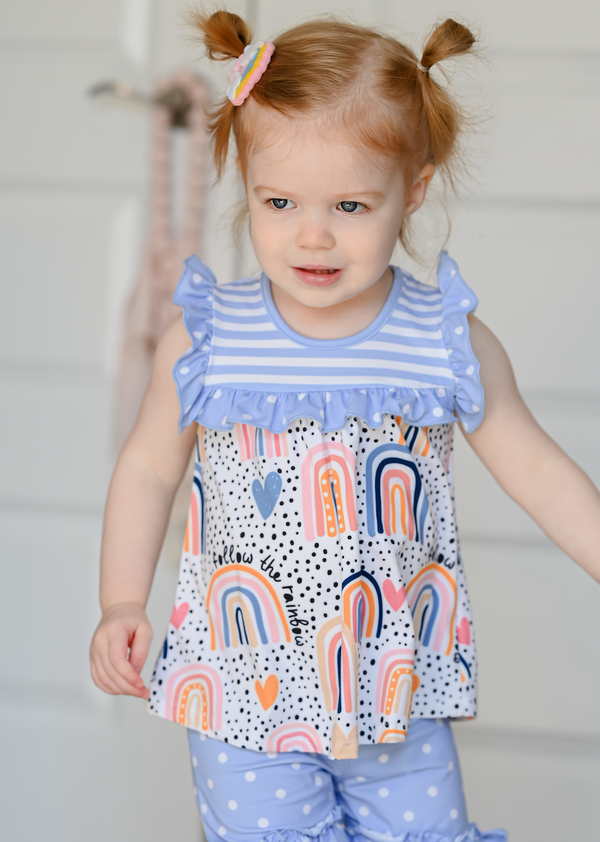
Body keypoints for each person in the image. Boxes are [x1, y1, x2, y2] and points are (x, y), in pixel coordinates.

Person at [90, 10, 600, 842]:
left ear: (415, 191)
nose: (312, 234)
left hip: (395, 693)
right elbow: (147, 467)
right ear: (244, 178)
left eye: (352, 204)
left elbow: (536, 468)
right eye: (279, 200)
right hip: (241, 702)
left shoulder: (444, 342)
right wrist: (119, 600)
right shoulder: (208, 339)